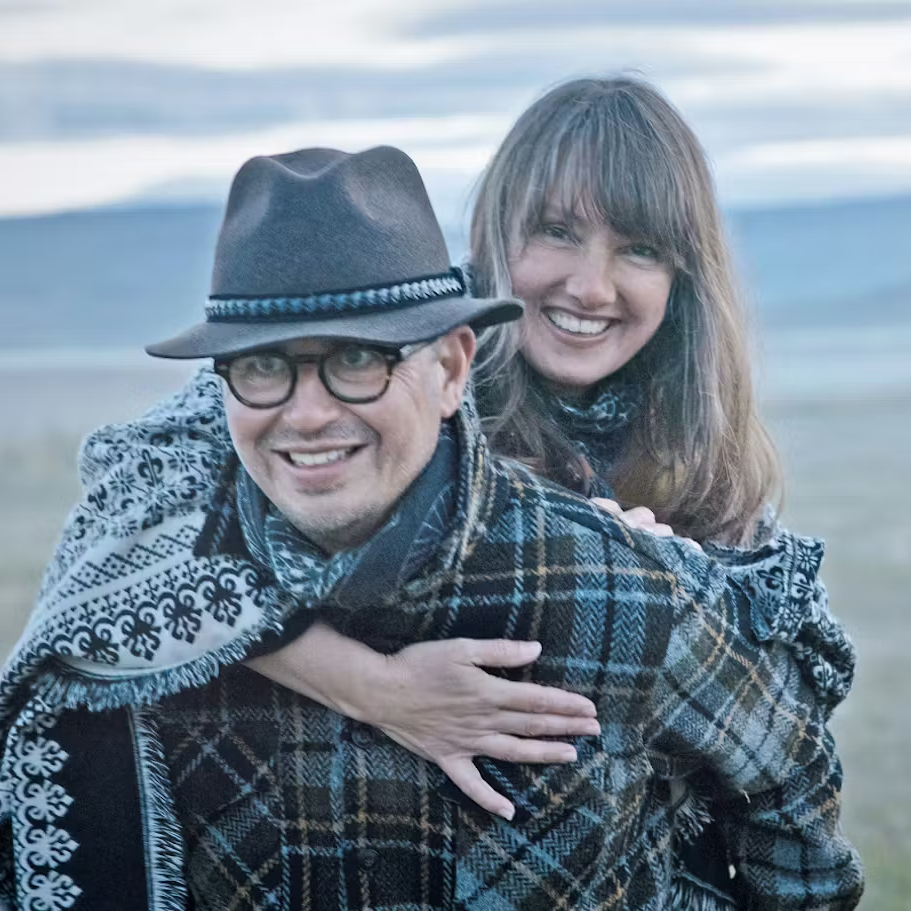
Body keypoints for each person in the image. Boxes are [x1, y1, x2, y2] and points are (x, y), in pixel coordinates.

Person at [0, 143, 861, 911]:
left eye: (640, 248)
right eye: (556, 231)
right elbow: (107, 548)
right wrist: (373, 685)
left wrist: (626, 574)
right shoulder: (307, 363)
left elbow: (788, 782)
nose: (590, 285)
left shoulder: (651, 546)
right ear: (490, 243)